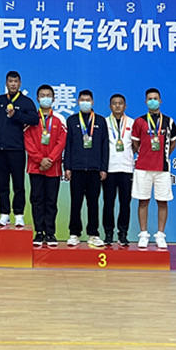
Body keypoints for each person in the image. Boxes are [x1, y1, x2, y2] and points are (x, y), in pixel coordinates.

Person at [130, 88, 176, 249]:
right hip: (142, 168)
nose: (152, 101)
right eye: (150, 98)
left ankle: (160, 235)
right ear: (146, 102)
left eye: (155, 98)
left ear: (160, 101)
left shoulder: (169, 121)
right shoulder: (139, 121)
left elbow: (173, 142)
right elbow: (135, 142)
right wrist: (144, 154)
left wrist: (163, 155)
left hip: (162, 168)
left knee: (162, 202)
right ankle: (143, 234)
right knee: (143, 201)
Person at [63, 89, 108, 248]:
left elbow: (104, 146)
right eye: (82, 100)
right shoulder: (72, 120)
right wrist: (67, 167)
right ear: (78, 102)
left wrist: (103, 168)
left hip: (95, 169)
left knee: (93, 203)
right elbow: (68, 145)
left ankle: (93, 234)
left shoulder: (101, 121)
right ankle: (74, 233)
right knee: (76, 202)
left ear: (93, 102)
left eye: (88, 100)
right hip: (76, 168)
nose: (85, 102)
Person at [23, 84, 67, 247]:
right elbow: (28, 142)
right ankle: (39, 232)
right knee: (37, 200)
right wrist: (40, 160)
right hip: (35, 168)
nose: (45, 98)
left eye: (48, 95)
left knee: (51, 201)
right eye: (42, 95)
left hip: (53, 169)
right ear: (37, 99)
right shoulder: (32, 119)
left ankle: (50, 233)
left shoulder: (59, 120)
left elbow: (61, 142)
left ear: (53, 99)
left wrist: (50, 160)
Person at [0, 70, 39, 227]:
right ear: (6, 83)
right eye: (10, 81)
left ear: (20, 83)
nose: (13, 84)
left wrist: (16, 115)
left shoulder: (26, 101)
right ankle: (4, 214)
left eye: (15, 81)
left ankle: (19, 214)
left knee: (18, 184)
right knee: (2, 184)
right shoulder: (0, 100)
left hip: (17, 149)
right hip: (0, 149)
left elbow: (34, 119)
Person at [103, 93, 135, 247]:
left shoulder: (132, 123)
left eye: (120, 103)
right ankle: (108, 233)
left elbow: (136, 145)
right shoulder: (104, 122)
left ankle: (123, 234)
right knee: (108, 203)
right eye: (114, 103)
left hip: (127, 169)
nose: (117, 106)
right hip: (109, 169)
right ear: (110, 106)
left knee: (125, 204)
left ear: (125, 106)